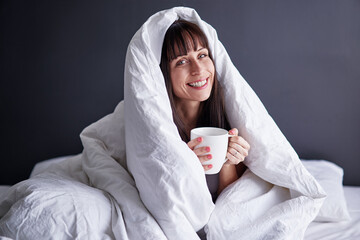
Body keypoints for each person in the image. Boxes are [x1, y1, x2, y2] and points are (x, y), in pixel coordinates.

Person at [160, 19, 251, 202]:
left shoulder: (229, 118)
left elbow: (228, 208)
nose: (199, 69)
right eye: (182, 61)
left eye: (202, 55)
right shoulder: (156, 126)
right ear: (163, 72)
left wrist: (227, 163)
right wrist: (183, 167)